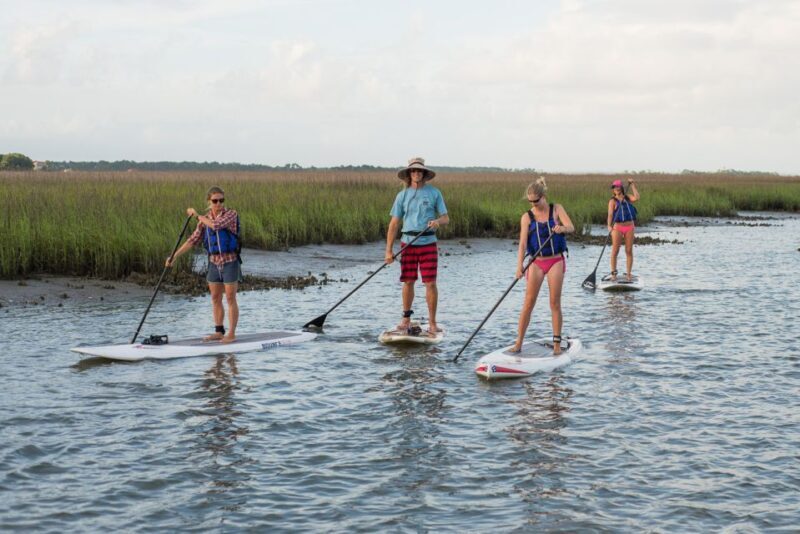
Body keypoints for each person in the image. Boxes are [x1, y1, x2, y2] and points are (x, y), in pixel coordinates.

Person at [167, 186, 241, 343]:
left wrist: (196, 216)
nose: (219, 203)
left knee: (230, 298)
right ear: (209, 201)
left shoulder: (231, 214)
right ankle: (219, 331)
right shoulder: (204, 220)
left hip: (230, 261)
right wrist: (174, 256)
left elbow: (216, 225)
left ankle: (231, 334)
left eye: (221, 200)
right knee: (215, 297)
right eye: (215, 201)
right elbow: (192, 240)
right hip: (213, 262)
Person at [385, 157, 449, 335]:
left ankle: (432, 323)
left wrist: (437, 222)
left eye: (419, 171)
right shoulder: (402, 195)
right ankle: (406, 318)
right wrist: (389, 251)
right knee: (408, 281)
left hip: (428, 242)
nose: (416, 173)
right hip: (408, 243)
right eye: (413, 171)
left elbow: (446, 217)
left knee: (430, 283)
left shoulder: (434, 193)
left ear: (424, 174)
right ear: (409, 174)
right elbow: (394, 224)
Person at [511, 177, 575, 355]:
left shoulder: (557, 209)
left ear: (543, 196)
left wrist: (562, 228)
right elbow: (523, 244)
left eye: (536, 201)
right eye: (530, 201)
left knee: (554, 303)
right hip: (536, 262)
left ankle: (556, 345)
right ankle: (518, 343)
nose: (534, 204)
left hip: (555, 260)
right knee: (528, 303)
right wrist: (519, 267)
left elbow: (571, 227)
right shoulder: (527, 217)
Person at [607, 178, 640, 281]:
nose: (616, 189)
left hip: (630, 226)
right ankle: (614, 274)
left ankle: (628, 274)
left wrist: (633, 184)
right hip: (617, 227)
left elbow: (637, 197)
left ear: (621, 187)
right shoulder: (612, 201)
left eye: (617, 187)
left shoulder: (627, 197)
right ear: (613, 189)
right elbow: (610, 214)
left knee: (629, 250)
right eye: (614, 187)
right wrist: (609, 225)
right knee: (615, 251)